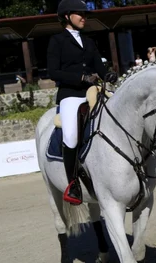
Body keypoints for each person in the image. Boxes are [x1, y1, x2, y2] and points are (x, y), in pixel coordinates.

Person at [47, 0, 118, 205]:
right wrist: (80, 78)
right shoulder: (57, 41)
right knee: (70, 135)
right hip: (71, 94)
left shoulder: (88, 42)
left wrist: (108, 76)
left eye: (85, 14)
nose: (84, 17)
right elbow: (53, 72)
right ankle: (73, 185)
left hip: (92, 91)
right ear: (67, 17)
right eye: (80, 14)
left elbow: (99, 66)